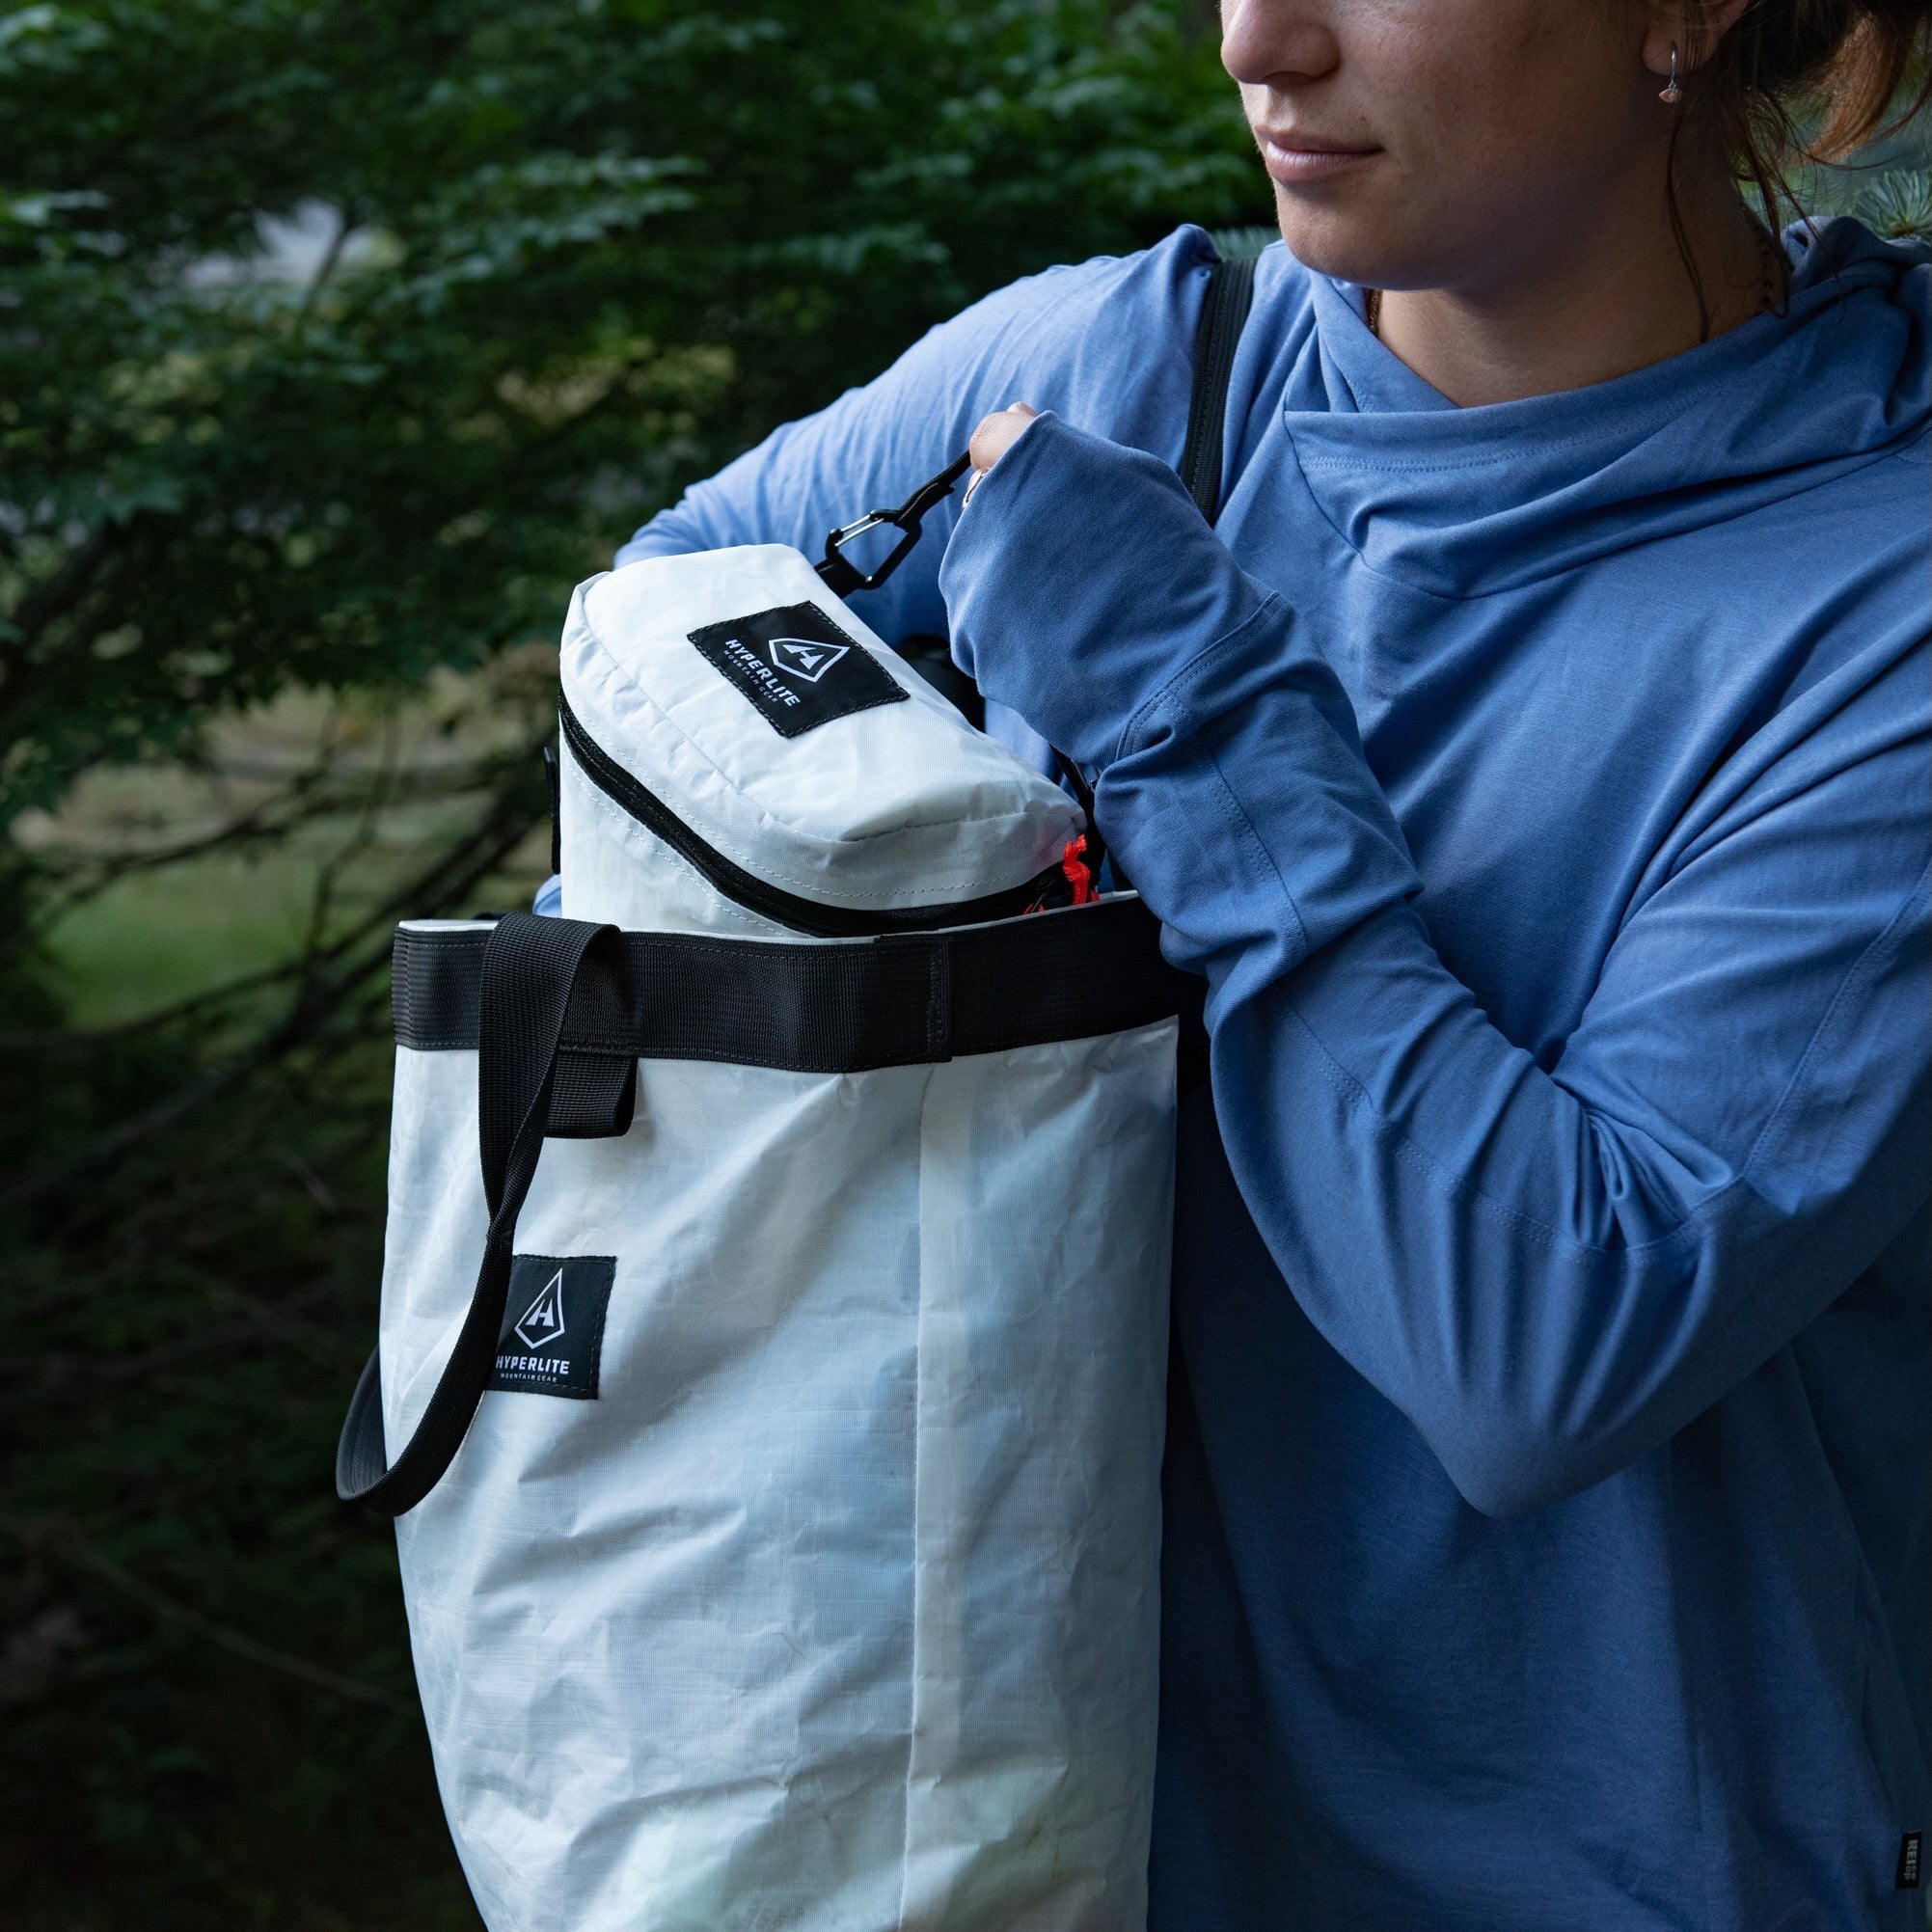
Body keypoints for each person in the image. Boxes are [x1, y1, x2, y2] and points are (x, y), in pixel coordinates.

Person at [608, 0, 1930, 1922]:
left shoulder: (1876, 606)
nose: (1258, 37)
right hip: (1018, 1855)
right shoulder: (1132, 375)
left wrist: (1185, 712)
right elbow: (660, 667)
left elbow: (1543, 1354)